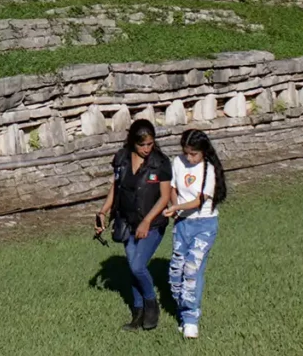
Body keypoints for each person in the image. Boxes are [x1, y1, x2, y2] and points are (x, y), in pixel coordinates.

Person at [95, 119, 173, 332]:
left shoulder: (161, 163)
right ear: (132, 142)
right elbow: (116, 188)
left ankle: (151, 304)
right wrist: (103, 211)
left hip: (153, 223)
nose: (147, 149)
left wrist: (147, 221)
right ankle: (137, 314)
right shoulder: (121, 159)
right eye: (142, 145)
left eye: (150, 144)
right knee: (133, 269)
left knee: (138, 266)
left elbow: (165, 197)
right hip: (126, 222)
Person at [163, 129, 228, 339]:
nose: (189, 158)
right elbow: (173, 187)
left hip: (204, 224)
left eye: (194, 154)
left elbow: (200, 201)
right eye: (187, 153)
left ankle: (191, 319)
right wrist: (175, 206)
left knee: (192, 270)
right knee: (176, 272)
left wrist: (176, 208)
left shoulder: (209, 169)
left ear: (203, 152)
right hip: (183, 224)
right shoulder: (178, 162)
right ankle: (182, 312)